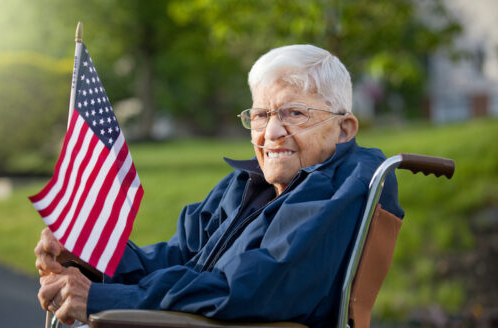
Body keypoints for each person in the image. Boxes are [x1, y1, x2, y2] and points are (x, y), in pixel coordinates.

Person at [35, 44, 404, 327]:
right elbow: (178, 258)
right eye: (260, 115)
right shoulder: (247, 184)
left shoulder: (346, 186)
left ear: (345, 129)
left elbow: (251, 287)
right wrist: (91, 258)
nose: (271, 134)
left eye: (295, 113)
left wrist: (101, 298)